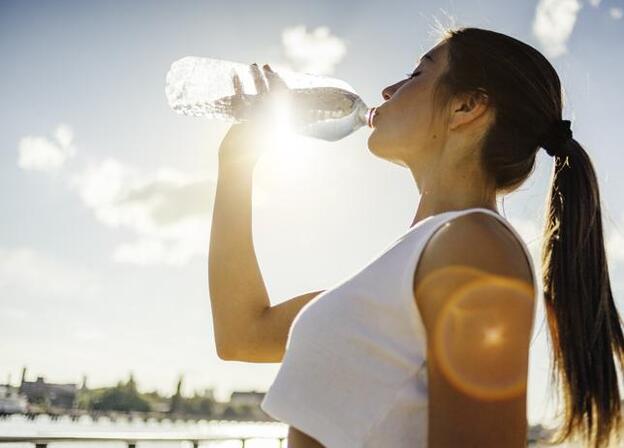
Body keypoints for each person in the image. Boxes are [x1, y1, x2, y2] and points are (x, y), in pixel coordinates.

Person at [208, 27, 624, 448]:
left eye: (415, 74)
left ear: (465, 106)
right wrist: (236, 163)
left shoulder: (475, 246)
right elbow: (243, 334)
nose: (388, 91)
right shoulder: (421, 255)